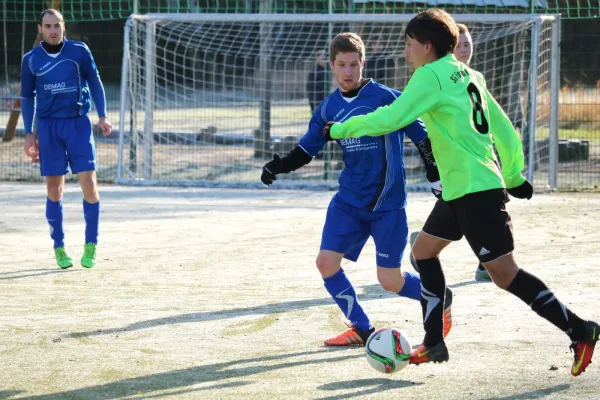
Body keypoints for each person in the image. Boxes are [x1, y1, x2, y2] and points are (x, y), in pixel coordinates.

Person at [324, 9, 598, 376]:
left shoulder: (429, 76)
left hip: (474, 192)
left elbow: (391, 118)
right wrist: (514, 174)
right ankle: (433, 342)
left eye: (408, 45)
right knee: (423, 252)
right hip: (460, 190)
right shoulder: (470, 74)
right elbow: (504, 128)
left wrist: (338, 130)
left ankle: (580, 330)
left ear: (427, 46)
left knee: (504, 275)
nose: (405, 53)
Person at [261, 32, 452, 347]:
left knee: (390, 281)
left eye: (353, 64)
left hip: (387, 206)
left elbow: (422, 138)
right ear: (332, 67)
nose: (348, 72)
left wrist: (434, 175)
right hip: (348, 202)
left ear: (363, 62)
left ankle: (438, 295)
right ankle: (362, 328)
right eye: (341, 65)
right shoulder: (329, 108)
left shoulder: (388, 98)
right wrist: (278, 166)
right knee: (325, 263)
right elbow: (307, 150)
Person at [21, 9, 112, 269]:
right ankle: (59, 247)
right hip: (49, 129)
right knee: (54, 189)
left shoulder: (79, 51)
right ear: (39, 29)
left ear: (64, 27)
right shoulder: (30, 60)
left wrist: (103, 115)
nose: (53, 30)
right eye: (48, 26)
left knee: (89, 184)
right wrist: (29, 132)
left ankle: (90, 244)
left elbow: (95, 82)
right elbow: (28, 97)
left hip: (78, 125)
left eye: (57, 26)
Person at [409, 22, 492, 282]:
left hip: (477, 159)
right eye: (459, 45)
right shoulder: (435, 78)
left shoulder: (473, 77)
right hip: (453, 164)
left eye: (468, 44)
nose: (464, 49)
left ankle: (482, 261)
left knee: (477, 211)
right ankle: (484, 262)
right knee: (470, 211)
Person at [306, 50, 328, 114]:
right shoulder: (315, 71)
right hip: (317, 101)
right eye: (320, 55)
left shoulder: (326, 70)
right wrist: (314, 102)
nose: (323, 57)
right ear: (317, 58)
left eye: (324, 55)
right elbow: (310, 87)